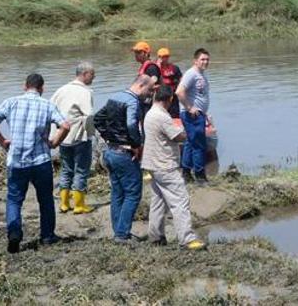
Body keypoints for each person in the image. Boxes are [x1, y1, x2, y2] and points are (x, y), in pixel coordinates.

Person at [0, 73, 70, 254]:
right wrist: (55, 142)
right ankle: (47, 236)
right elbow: (66, 125)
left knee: (14, 200)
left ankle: (14, 233)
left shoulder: (11, 102)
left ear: (25, 86)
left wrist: (2, 141)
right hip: (41, 161)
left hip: (17, 160)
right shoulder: (47, 104)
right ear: (42, 88)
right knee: (46, 199)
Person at [142, 85, 205, 250]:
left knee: (158, 201)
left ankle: (156, 237)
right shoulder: (162, 117)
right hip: (165, 166)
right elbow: (179, 136)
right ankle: (187, 239)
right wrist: (182, 127)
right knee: (180, 201)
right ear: (169, 100)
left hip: (152, 165)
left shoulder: (150, 113)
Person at [94, 75, 153, 243]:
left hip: (110, 152)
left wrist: (108, 137)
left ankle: (118, 231)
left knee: (118, 192)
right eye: (149, 90)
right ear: (141, 85)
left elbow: (97, 119)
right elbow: (130, 125)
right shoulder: (132, 102)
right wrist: (136, 145)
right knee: (133, 194)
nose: (149, 95)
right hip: (124, 153)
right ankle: (122, 234)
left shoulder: (114, 97)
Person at [51, 61, 96, 214]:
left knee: (66, 169)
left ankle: (63, 203)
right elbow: (89, 116)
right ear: (85, 74)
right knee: (81, 170)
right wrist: (91, 134)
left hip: (62, 136)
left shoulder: (61, 90)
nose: (94, 77)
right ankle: (79, 205)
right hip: (79, 136)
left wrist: (53, 136)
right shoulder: (85, 92)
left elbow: (51, 110)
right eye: (92, 74)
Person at [176, 48, 211, 184]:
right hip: (192, 115)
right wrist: (190, 107)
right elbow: (179, 92)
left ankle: (186, 173)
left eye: (207, 59)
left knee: (190, 144)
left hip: (198, 114)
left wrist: (204, 111)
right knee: (199, 145)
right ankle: (200, 175)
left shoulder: (201, 74)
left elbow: (200, 96)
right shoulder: (191, 74)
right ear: (195, 61)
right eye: (202, 59)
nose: (205, 62)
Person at [155, 48, 182, 119]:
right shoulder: (155, 68)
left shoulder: (174, 68)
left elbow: (181, 80)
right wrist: (158, 66)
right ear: (158, 57)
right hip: (161, 96)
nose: (164, 59)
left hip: (173, 96)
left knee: (175, 116)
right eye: (162, 57)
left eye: (166, 56)